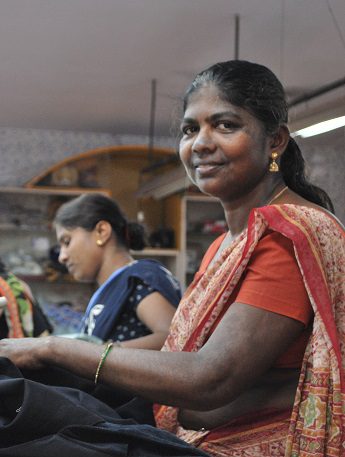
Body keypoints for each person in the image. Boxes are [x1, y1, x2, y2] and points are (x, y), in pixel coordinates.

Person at [0, 60, 344, 457]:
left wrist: (56, 348)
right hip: (188, 430)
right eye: (190, 129)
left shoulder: (287, 234)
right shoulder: (225, 245)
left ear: (275, 141)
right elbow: (182, 360)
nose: (201, 142)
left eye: (226, 125)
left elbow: (211, 377)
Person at [53, 193, 181, 349]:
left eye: (67, 241)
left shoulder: (138, 278)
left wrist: (99, 354)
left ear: (101, 231)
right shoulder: (112, 287)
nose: (62, 256)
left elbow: (173, 339)